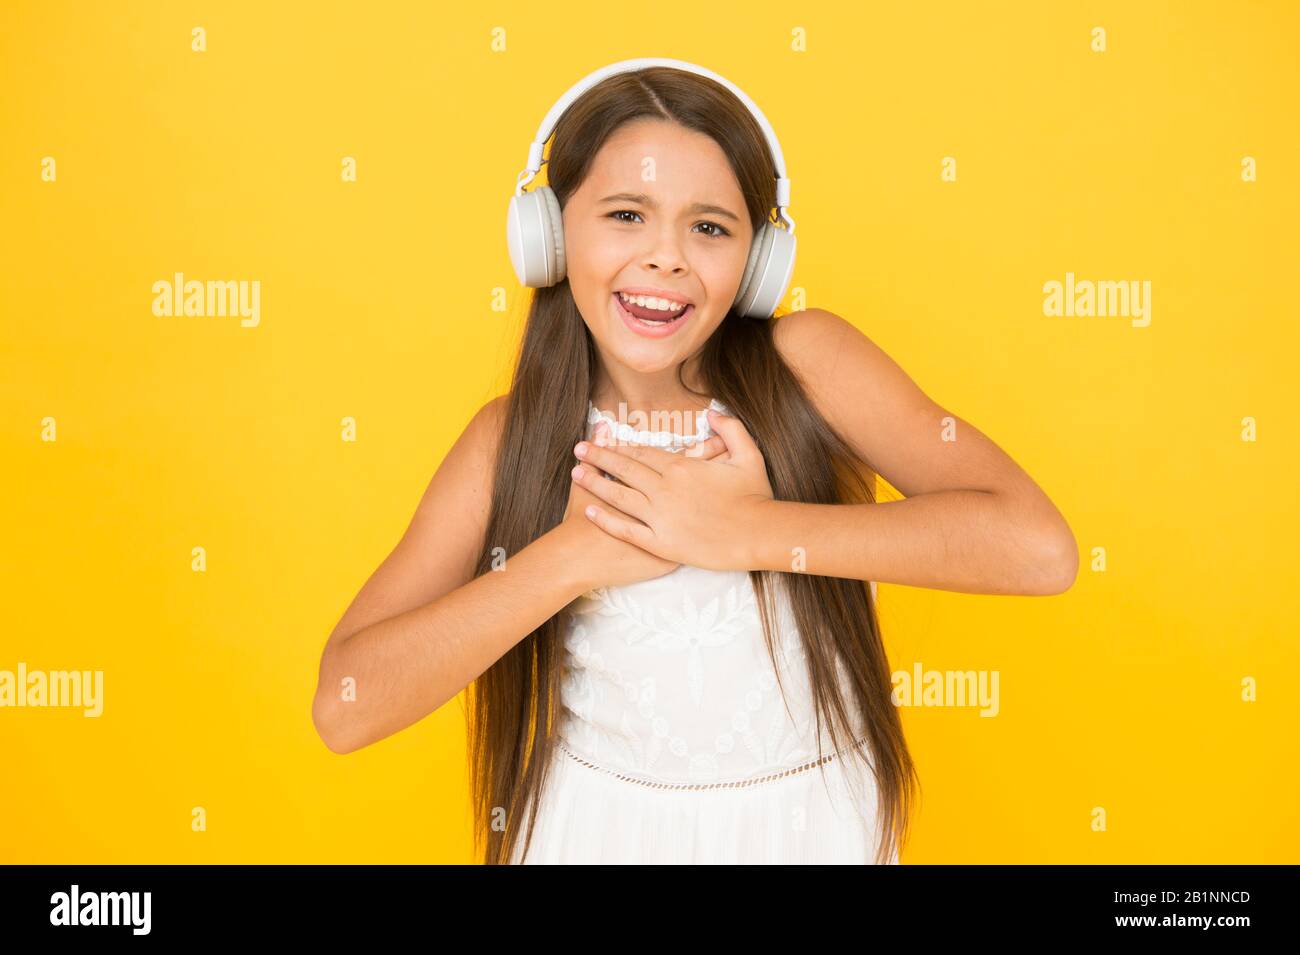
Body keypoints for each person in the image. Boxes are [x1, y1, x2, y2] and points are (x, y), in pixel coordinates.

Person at [311, 61, 1078, 865]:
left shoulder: (807, 368)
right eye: (625, 215)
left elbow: (1037, 548)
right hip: (595, 835)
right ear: (549, 232)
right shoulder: (509, 440)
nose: (666, 258)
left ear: (759, 258)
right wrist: (569, 557)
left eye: (709, 227)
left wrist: (750, 530)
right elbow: (345, 704)